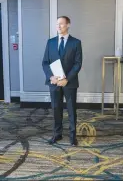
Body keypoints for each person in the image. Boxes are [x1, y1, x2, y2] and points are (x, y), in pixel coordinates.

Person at [42, 16, 83, 146]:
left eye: (61, 24)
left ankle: (72, 136)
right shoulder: (50, 42)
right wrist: (51, 77)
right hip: (54, 83)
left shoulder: (76, 42)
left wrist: (67, 79)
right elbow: (45, 62)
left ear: (68, 25)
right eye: (57, 24)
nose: (58, 26)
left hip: (69, 82)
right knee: (56, 109)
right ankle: (57, 134)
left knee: (71, 110)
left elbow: (78, 64)